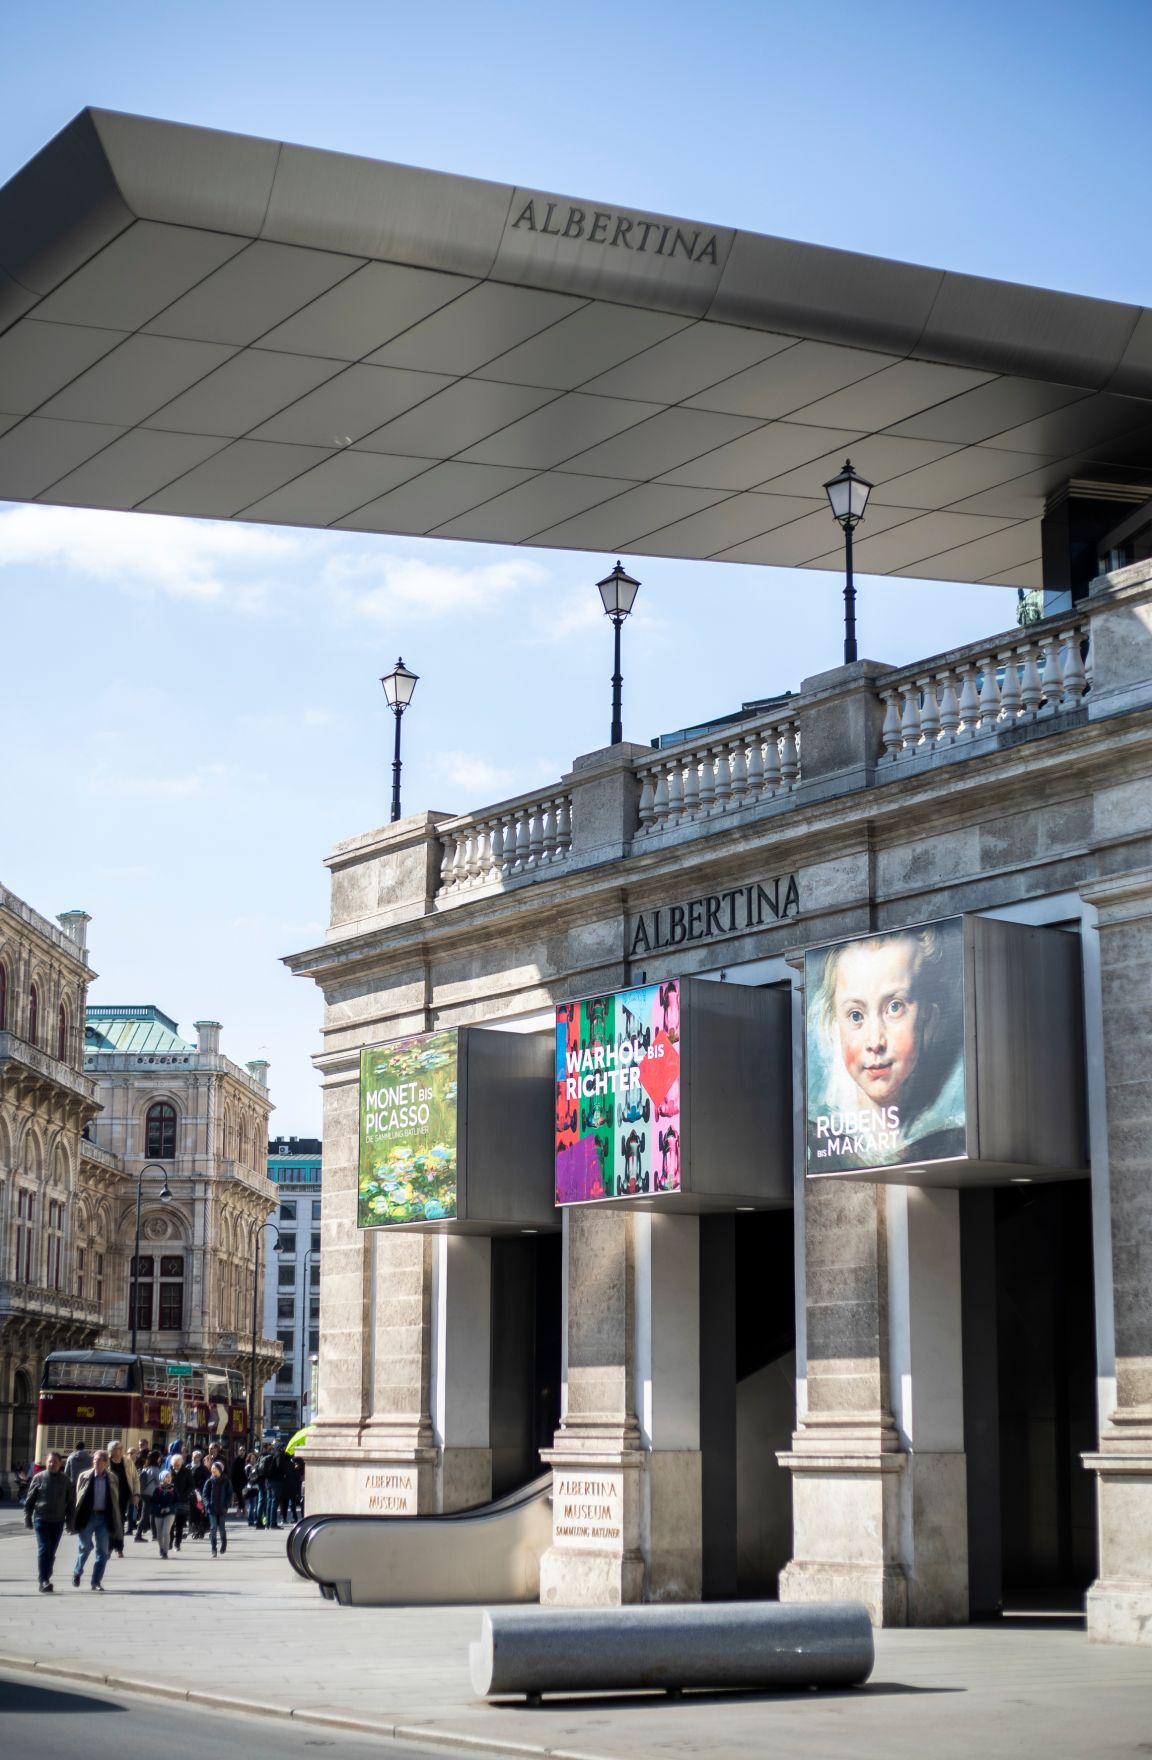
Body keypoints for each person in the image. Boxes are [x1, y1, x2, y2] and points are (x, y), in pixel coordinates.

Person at [806, 923, 966, 1173]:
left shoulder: (953, 1128)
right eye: (856, 1015)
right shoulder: (818, 1135)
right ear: (834, 1026)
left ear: (929, 1017)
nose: (874, 1042)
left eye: (895, 1007)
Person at [71, 1448, 123, 1591]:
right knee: (85, 1547)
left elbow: (115, 1499)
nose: (96, 1462)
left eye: (99, 1460)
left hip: (104, 1519)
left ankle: (96, 1582)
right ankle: (77, 1571)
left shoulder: (112, 1478)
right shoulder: (84, 1476)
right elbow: (78, 1498)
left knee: (102, 1552)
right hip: (88, 1517)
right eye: (94, 1460)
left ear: (106, 1463)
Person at [24, 1450, 76, 1591]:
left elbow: (71, 1503)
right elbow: (29, 1500)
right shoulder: (39, 1478)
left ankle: (46, 1572)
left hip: (58, 1521)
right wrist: (27, 1517)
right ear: (46, 1463)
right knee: (44, 1548)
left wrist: (70, 1523)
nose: (52, 1464)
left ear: (60, 1464)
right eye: (49, 1461)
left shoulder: (66, 1480)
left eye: (55, 1461)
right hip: (41, 1519)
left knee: (51, 1552)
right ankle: (43, 1581)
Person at [107, 1441, 138, 1552]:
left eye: (121, 1448)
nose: (121, 1450)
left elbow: (135, 1479)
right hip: (109, 1497)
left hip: (123, 1496)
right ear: (112, 1450)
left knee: (120, 1521)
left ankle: (119, 1547)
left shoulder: (128, 1462)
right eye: (118, 1448)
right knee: (110, 1521)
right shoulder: (106, 1462)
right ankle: (109, 1546)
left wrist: (136, 1494)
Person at [201, 1459, 232, 1557]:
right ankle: (213, 1548)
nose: (213, 1470)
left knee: (222, 1529)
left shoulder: (226, 1481)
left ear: (220, 1470)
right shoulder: (209, 1482)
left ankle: (224, 1543)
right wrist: (207, 1504)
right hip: (212, 1509)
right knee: (213, 1528)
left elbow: (229, 1494)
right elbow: (204, 1495)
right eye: (212, 1468)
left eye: (215, 1468)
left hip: (222, 1509)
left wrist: (227, 1505)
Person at [135, 1448, 162, 1542]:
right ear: (156, 1458)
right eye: (159, 1457)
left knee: (151, 1514)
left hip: (143, 1492)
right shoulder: (155, 1469)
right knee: (146, 1515)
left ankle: (154, 1535)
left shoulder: (146, 1467)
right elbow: (159, 1482)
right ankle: (138, 1535)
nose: (160, 1459)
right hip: (151, 1493)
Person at [168, 1452, 193, 1552]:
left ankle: (177, 1544)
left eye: (177, 1464)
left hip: (182, 1501)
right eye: (174, 1464)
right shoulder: (169, 1471)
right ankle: (169, 1542)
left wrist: (185, 1494)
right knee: (170, 1524)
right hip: (171, 1501)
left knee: (179, 1524)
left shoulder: (186, 1472)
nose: (175, 1466)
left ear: (181, 1463)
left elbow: (191, 1485)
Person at [152, 1469, 178, 1558]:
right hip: (158, 1514)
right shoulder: (157, 1490)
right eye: (167, 1477)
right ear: (162, 1478)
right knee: (159, 1535)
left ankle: (165, 1552)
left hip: (170, 1513)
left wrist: (169, 1508)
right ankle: (161, 1548)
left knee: (166, 1532)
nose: (169, 1478)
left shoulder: (174, 1489)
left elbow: (176, 1502)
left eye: (170, 1477)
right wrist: (159, 1508)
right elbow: (153, 1502)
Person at [278, 1450, 303, 1526]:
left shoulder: (286, 1463)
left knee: (286, 1503)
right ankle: (293, 1517)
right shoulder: (291, 1464)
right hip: (291, 1486)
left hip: (287, 1486)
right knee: (290, 1503)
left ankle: (286, 1518)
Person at [189, 1450, 209, 1539]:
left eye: (198, 1457)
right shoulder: (188, 1467)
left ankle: (200, 1531)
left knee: (199, 1512)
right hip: (189, 1495)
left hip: (199, 1495)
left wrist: (200, 1489)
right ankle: (193, 1530)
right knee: (191, 1513)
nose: (196, 1458)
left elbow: (207, 1481)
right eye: (195, 1456)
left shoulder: (203, 1469)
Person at [243, 1452, 261, 1526]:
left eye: (254, 1458)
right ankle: (250, 1520)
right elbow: (247, 1477)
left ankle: (255, 1519)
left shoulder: (256, 1466)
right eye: (252, 1458)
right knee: (252, 1505)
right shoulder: (248, 1467)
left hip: (256, 1487)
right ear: (249, 1459)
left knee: (256, 1504)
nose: (253, 1459)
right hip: (250, 1487)